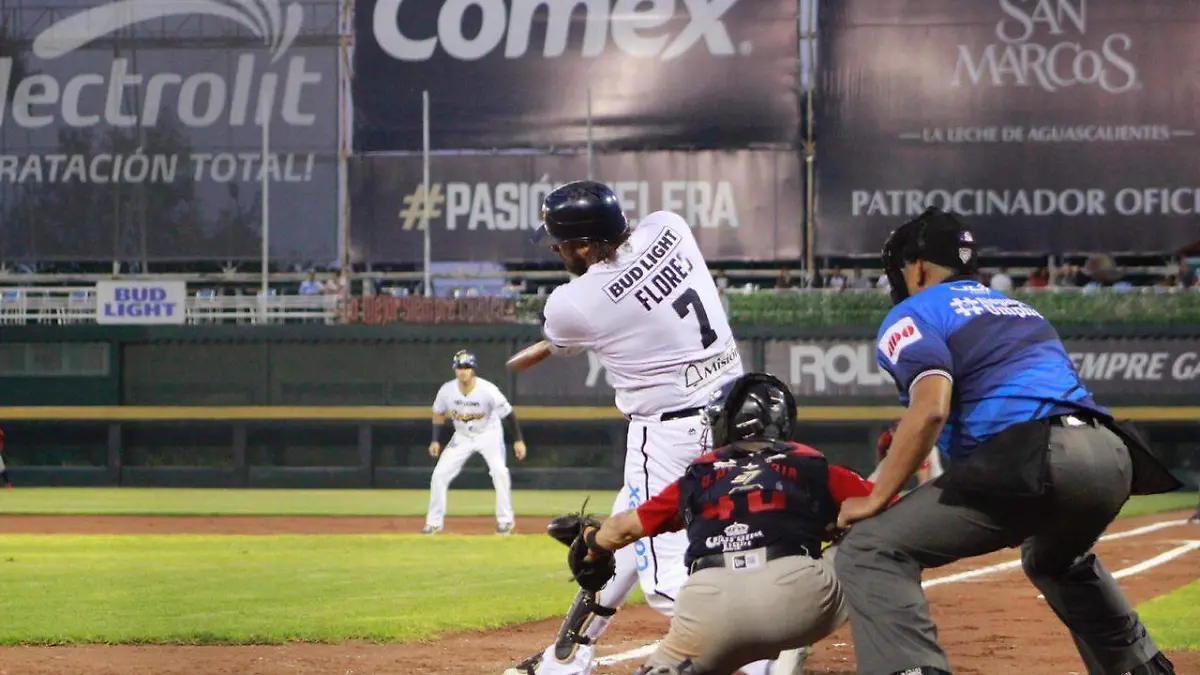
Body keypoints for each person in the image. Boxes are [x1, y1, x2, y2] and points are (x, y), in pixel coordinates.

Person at [832, 206, 1182, 675]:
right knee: (1055, 558)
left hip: (1038, 457)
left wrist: (876, 497)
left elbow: (932, 407)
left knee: (871, 548)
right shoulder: (1019, 307)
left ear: (916, 268)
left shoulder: (912, 312)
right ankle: (1141, 667)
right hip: (1111, 452)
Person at [502, 181, 785, 675]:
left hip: (671, 435)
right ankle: (566, 658)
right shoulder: (668, 226)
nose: (556, 249)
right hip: (739, 417)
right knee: (622, 532)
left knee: (666, 579)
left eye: (562, 241)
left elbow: (567, 330)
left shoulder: (573, 303)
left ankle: (765, 659)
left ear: (586, 244)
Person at [561, 373, 875, 675]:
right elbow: (889, 510)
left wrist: (592, 541)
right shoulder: (812, 464)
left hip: (706, 606)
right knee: (873, 535)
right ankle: (901, 661)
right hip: (798, 598)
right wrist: (839, 525)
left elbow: (623, 530)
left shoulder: (698, 475)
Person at [423, 350, 526, 535]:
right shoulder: (447, 390)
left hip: (488, 433)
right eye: (459, 367)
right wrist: (435, 440)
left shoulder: (488, 390)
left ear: (473, 370)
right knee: (439, 475)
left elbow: (509, 414)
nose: (463, 371)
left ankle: (505, 522)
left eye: (467, 367)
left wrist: (518, 440)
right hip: (462, 436)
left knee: (499, 472)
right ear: (454, 370)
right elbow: (438, 413)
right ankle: (433, 523)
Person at [868, 421, 942, 486]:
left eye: (900, 431)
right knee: (882, 469)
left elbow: (923, 467)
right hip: (902, 452)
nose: (896, 433)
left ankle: (939, 488)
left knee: (934, 472)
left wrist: (923, 483)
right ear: (891, 431)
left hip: (925, 450)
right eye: (894, 430)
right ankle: (868, 486)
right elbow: (881, 454)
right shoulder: (887, 437)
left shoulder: (915, 441)